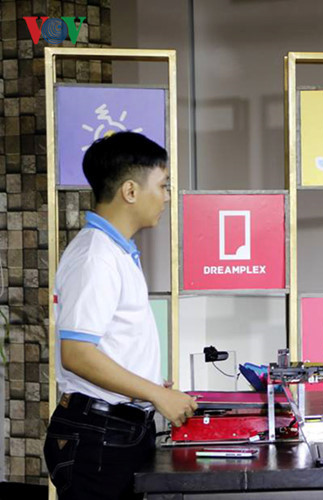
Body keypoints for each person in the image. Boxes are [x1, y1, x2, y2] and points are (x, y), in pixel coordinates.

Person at [43, 132, 198, 500]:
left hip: (115, 430)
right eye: (162, 186)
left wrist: (148, 383)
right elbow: (77, 354)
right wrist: (155, 396)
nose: (165, 197)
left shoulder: (115, 251)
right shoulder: (96, 256)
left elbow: (107, 342)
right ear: (130, 191)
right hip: (99, 435)